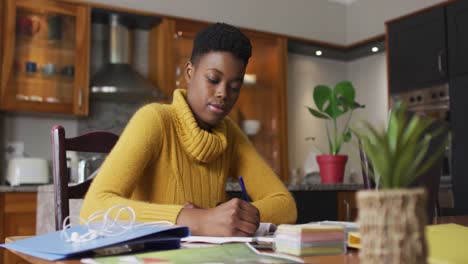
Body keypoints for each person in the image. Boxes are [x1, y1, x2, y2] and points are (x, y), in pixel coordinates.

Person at [81, 22, 297, 237]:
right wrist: (196, 219)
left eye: (234, 87)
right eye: (213, 79)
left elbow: (285, 205)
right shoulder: (155, 120)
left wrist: (232, 216)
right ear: (189, 72)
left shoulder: (229, 135)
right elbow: (93, 207)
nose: (223, 93)